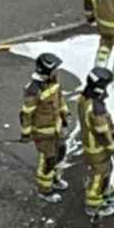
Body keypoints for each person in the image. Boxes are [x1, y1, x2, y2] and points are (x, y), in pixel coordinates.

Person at [20, 52, 70, 203]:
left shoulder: (54, 83)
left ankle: (55, 179)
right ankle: (45, 190)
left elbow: (60, 101)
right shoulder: (33, 91)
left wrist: (65, 115)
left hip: (57, 129)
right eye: (54, 69)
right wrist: (26, 133)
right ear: (46, 71)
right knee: (48, 160)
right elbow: (26, 114)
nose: (57, 72)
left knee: (60, 153)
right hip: (43, 133)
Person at [77, 67, 114, 218]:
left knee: (103, 171)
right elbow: (103, 132)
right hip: (98, 149)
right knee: (100, 174)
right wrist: (113, 146)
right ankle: (94, 204)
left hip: (89, 145)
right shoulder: (97, 109)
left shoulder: (84, 99)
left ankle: (104, 191)